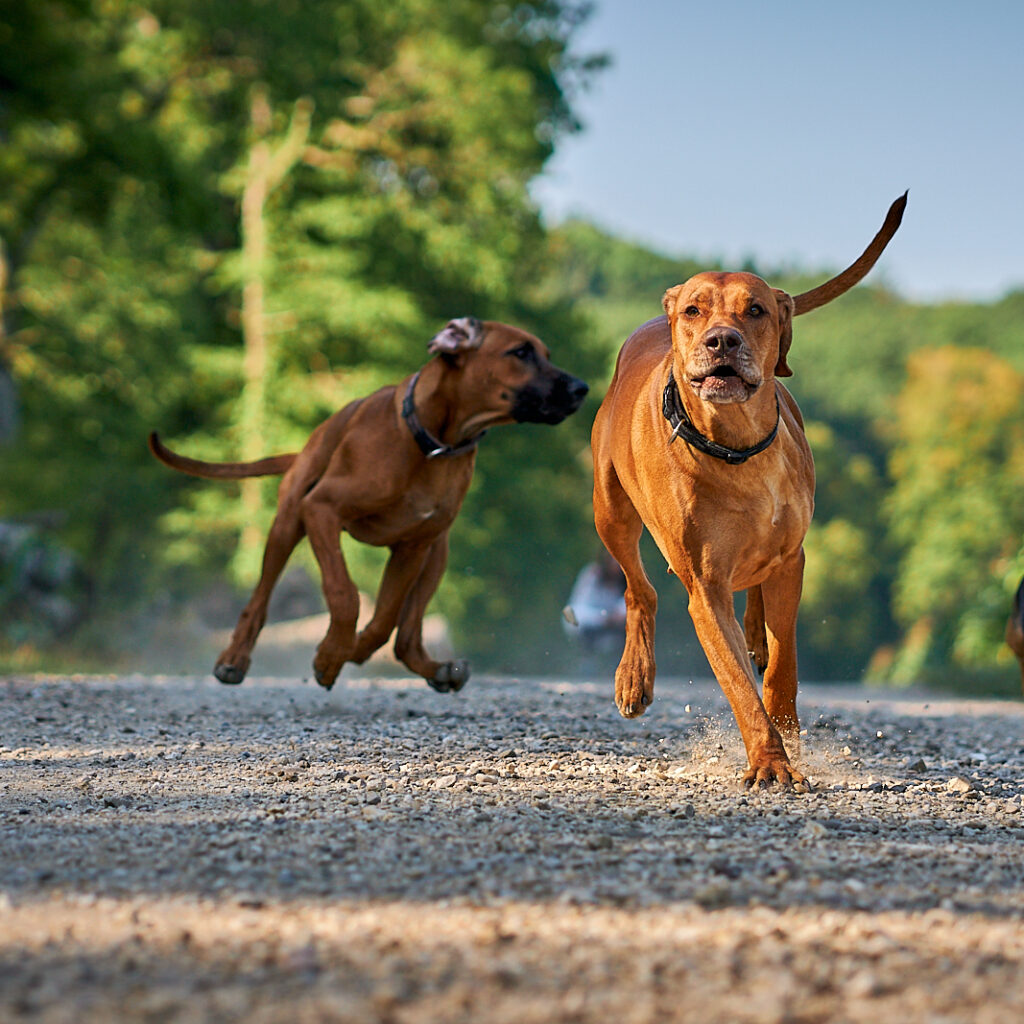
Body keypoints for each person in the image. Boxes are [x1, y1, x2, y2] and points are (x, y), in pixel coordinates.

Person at [563, 549, 627, 661]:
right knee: (571, 617)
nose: (616, 566)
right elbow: (575, 609)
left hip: (616, 632)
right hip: (591, 630)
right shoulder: (592, 576)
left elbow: (633, 603)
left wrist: (620, 614)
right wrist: (603, 619)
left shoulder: (627, 579)